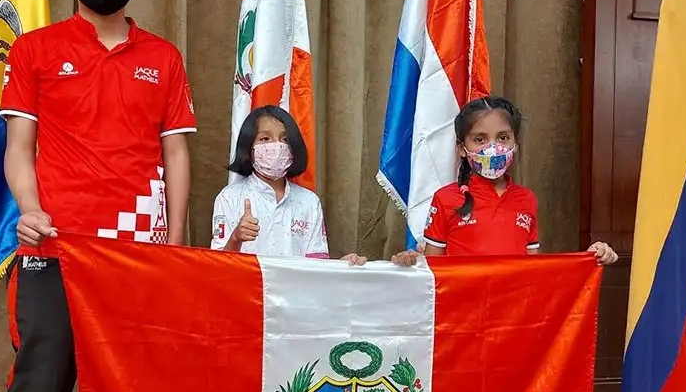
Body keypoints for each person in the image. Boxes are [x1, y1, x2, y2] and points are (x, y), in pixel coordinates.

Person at [0, 0, 197, 392]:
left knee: (136, 391)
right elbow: (19, 146)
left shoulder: (163, 58)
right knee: (40, 384)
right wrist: (30, 209)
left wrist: (175, 243)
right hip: (56, 245)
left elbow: (176, 152)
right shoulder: (35, 49)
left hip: (138, 251)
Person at [391, 96, 618, 266]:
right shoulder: (446, 198)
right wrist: (410, 261)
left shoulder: (526, 199)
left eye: (503, 137)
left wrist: (590, 258)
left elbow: (535, 271)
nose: (493, 148)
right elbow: (433, 272)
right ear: (462, 149)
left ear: (515, 144)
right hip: (461, 319)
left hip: (511, 319)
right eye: (480, 139)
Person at [211, 105, 365, 265]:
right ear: (249, 146)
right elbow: (217, 267)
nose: (277, 146)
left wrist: (342, 266)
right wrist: (236, 237)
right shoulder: (229, 198)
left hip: (296, 290)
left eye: (285, 139)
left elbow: (317, 269)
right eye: (265, 139)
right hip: (249, 288)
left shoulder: (309, 202)